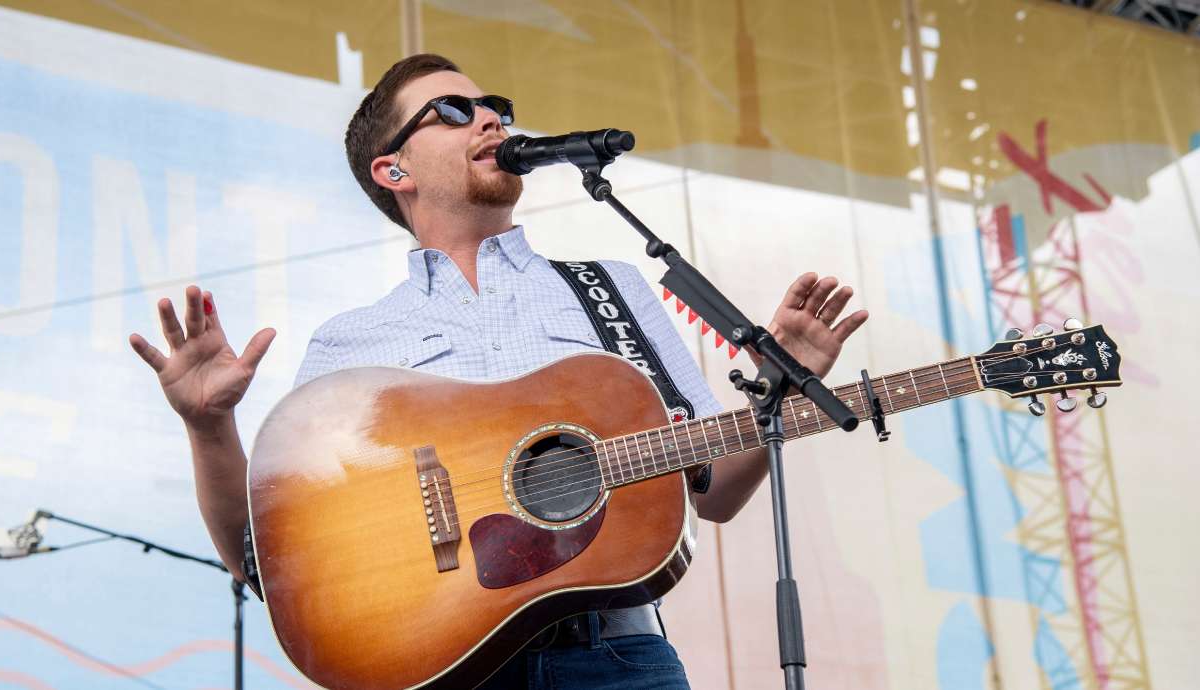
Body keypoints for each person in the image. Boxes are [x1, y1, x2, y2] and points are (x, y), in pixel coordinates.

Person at [129, 53, 867, 690]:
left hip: (617, 657)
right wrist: (208, 426)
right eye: (454, 111)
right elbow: (268, 566)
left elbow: (713, 492)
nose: (491, 121)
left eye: (496, 108)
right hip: (439, 669)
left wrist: (781, 380)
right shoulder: (350, 343)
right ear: (394, 169)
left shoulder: (611, 289)